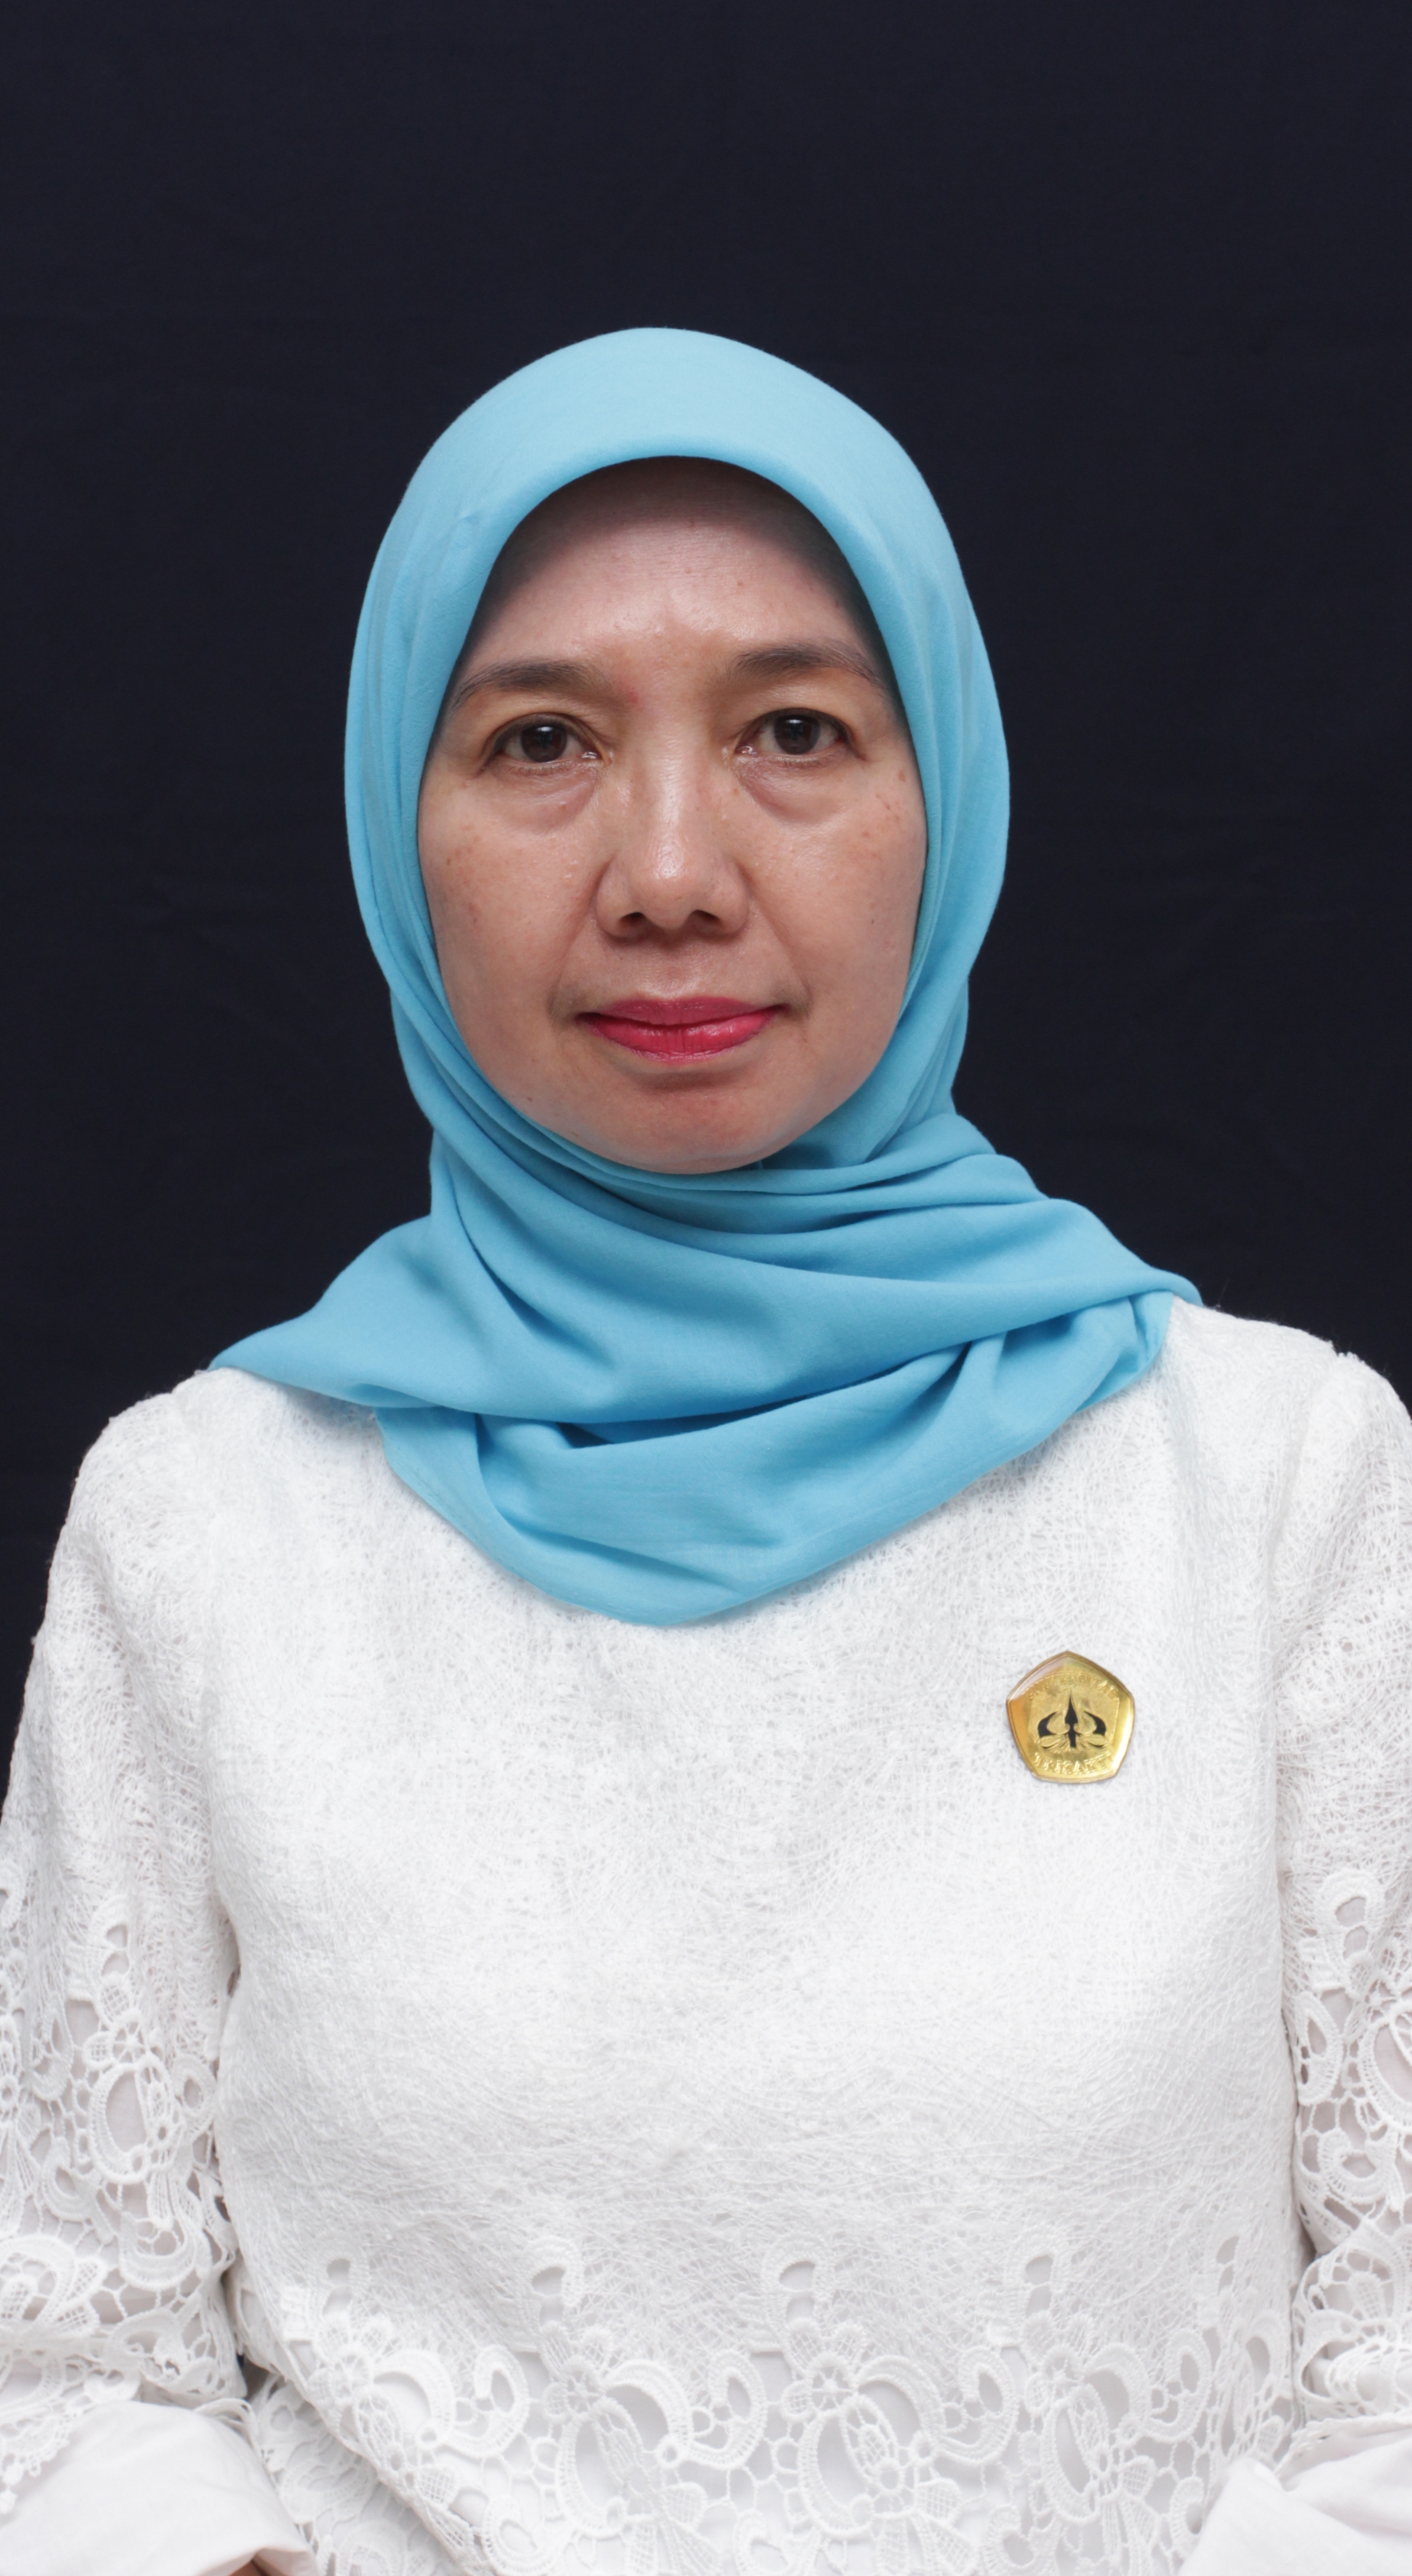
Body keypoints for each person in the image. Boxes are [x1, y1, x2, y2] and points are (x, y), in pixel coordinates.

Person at [0, 329, 1409, 2576]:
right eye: (541, 741)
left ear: (947, 796)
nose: (669, 870)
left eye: (794, 732)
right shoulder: (205, 1523)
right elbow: (60, 2354)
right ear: (394, 827)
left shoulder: (1273, 1487)